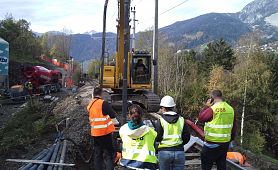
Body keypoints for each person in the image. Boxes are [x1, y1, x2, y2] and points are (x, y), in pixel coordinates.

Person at [198, 90, 236, 170]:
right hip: (225, 144)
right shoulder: (230, 109)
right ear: (221, 97)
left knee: (206, 166)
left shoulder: (213, 109)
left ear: (212, 98)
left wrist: (206, 106)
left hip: (211, 144)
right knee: (221, 165)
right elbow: (234, 127)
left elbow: (201, 118)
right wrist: (230, 140)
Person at [87, 87, 119, 170]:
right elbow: (112, 115)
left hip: (95, 133)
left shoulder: (90, 104)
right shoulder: (103, 103)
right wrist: (117, 123)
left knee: (98, 154)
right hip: (104, 133)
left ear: (93, 94)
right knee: (109, 154)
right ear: (101, 94)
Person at [155, 95, 190, 170]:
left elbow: (157, 137)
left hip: (164, 152)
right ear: (173, 107)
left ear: (163, 108)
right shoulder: (181, 120)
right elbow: (187, 137)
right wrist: (179, 143)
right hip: (179, 151)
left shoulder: (161, 121)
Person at [119, 104, 157, 170]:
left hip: (127, 163)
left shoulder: (123, 129)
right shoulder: (150, 131)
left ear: (129, 116)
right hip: (146, 165)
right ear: (141, 116)